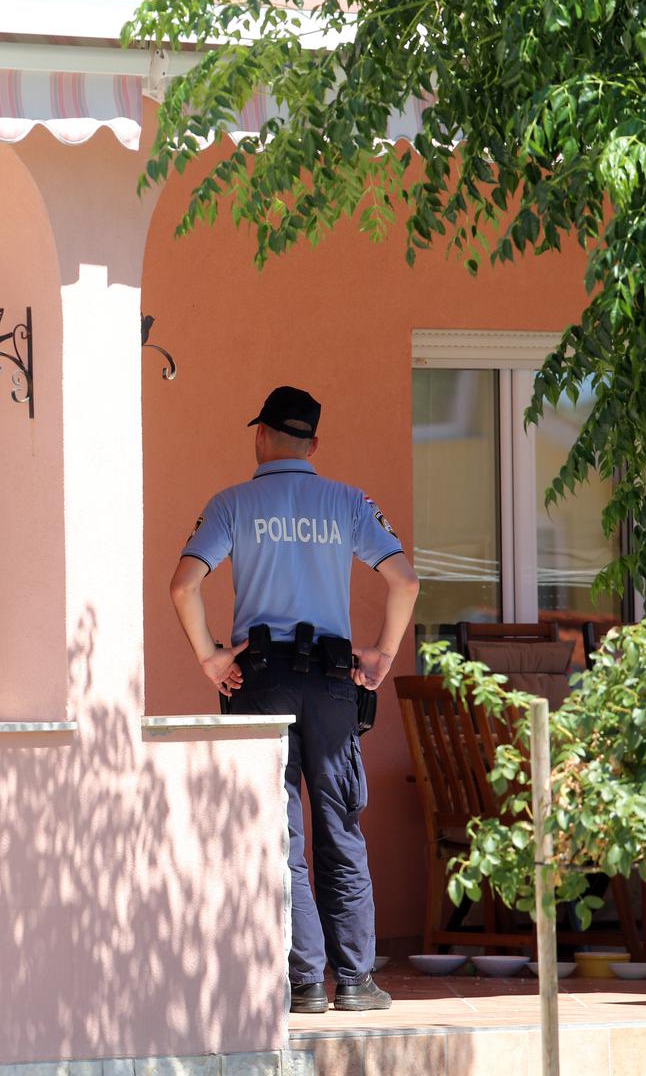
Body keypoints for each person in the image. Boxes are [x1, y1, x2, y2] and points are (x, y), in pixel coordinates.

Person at [169, 385, 420, 1014]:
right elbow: (405, 581)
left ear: (261, 434)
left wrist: (211, 658)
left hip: (261, 682)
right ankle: (356, 981)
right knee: (341, 828)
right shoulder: (348, 502)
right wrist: (382, 654)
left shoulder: (232, 503)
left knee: (278, 833)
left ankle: (303, 980)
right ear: (314, 443)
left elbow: (184, 586)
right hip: (334, 684)